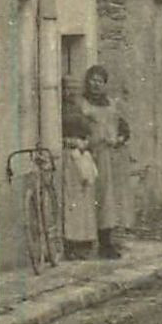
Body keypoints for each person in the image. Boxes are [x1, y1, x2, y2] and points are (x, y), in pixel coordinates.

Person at [80, 64, 131, 259]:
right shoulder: (82, 105)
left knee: (109, 199)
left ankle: (107, 242)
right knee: (92, 198)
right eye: (92, 80)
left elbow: (124, 128)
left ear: (104, 84)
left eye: (99, 81)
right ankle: (88, 241)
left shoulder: (110, 104)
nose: (95, 84)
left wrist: (120, 139)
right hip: (91, 155)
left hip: (111, 157)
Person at [59, 75, 98, 258]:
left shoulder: (82, 108)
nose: (70, 93)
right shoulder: (58, 109)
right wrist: (69, 141)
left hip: (83, 156)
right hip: (68, 157)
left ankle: (85, 242)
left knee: (85, 202)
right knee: (71, 202)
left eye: (74, 89)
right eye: (67, 89)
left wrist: (86, 142)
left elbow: (92, 131)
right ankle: (71, 244)